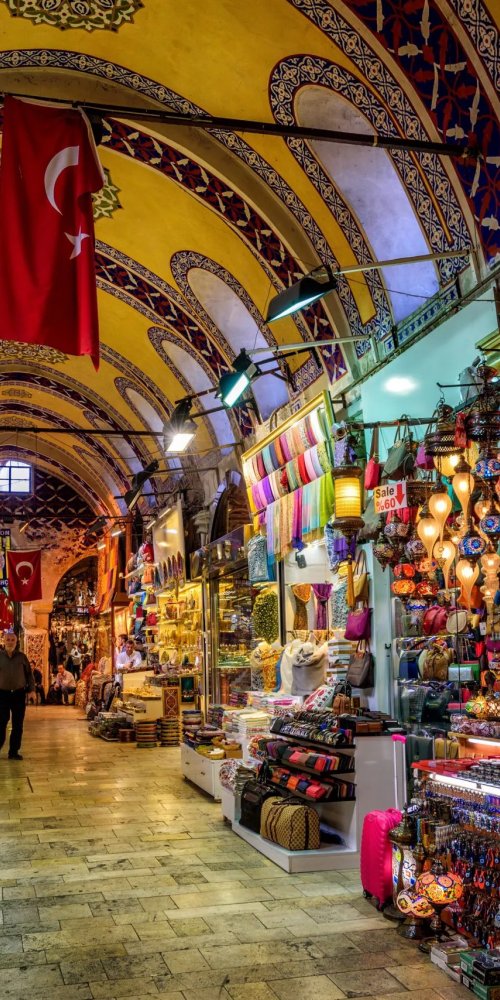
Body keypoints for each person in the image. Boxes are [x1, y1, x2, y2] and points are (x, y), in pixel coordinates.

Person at [0, 632, 35, 759]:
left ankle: (13, 752)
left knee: (18, 724)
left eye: (12, 640)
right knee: (1, 722)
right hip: (2, 695)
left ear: (16, 642)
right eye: (8, 639)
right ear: (4, 641)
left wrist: (32, 690)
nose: (10, 642)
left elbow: (29, 675)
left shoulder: (22, 657)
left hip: (19, 694)